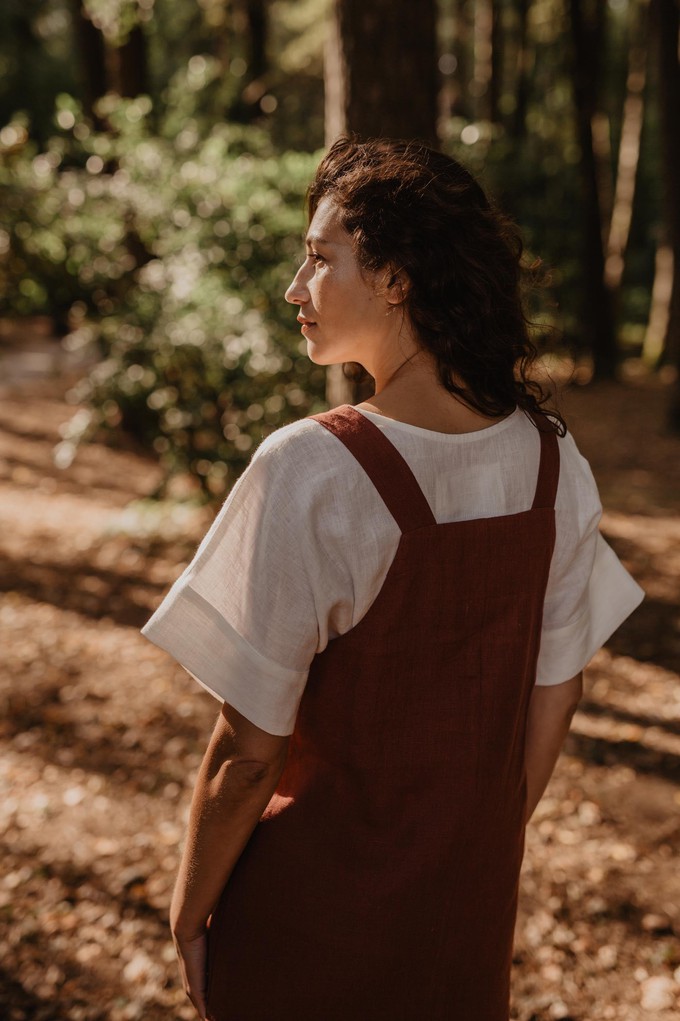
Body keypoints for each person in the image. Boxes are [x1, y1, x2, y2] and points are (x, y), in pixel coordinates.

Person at [142, 138, 644, 1021]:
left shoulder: (311, 468)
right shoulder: (553, 462)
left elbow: (246, 753)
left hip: (304, 933)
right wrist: (465, 852)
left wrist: (188, 909)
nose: (295, 287)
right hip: (460, 931)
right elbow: (553, 701)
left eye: (319, 257)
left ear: (398, 276)